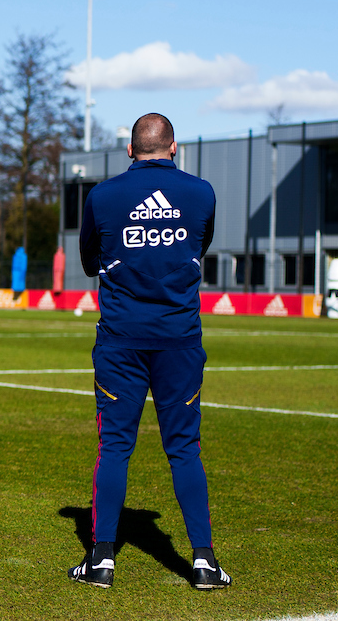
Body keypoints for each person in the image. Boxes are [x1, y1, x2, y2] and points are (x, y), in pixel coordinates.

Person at [69, 112, 231, 591]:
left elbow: (88, 260)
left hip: (120, 338)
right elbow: (201, 244)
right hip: (180, 338)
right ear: (174, 147)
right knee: (184, 449)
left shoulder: (102, 195)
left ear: (130, 151)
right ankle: (203, 562)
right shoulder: (201, 192)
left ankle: (101, 560)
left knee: (114, 446)